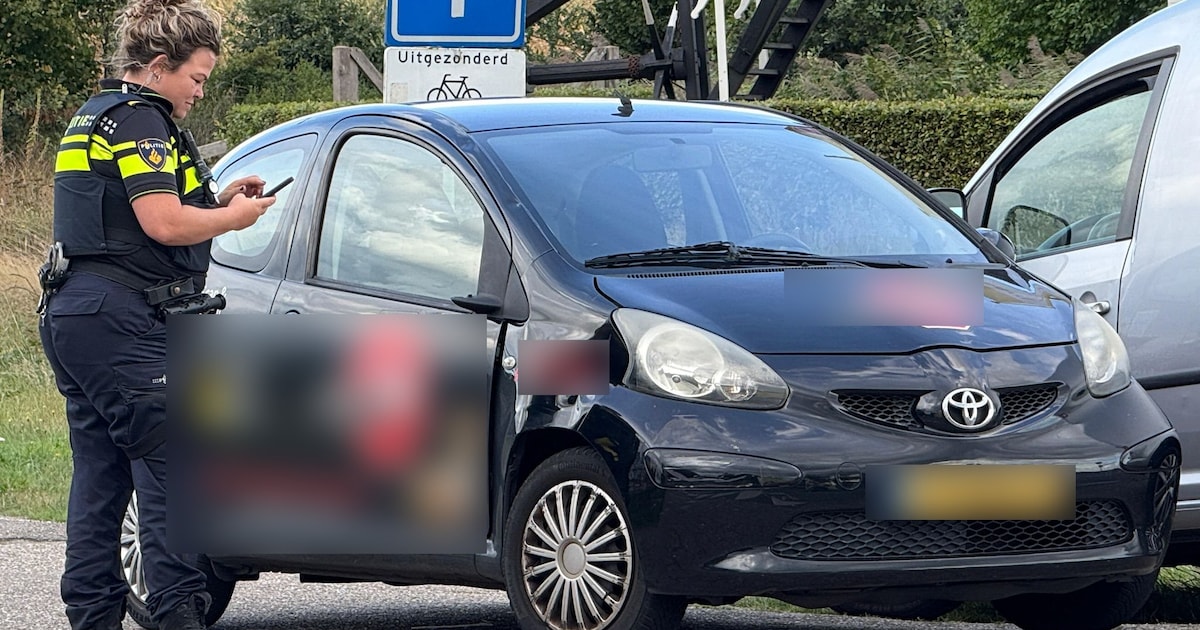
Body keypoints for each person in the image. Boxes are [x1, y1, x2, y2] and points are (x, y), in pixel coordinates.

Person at [37, 0, 276, 628]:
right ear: (160, 66)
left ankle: (91, 617)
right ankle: (179, 616)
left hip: (76, 314)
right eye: (196, 78)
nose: (199, 92)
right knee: (175, 471)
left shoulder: (96, 114)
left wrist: (217, 199)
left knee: (102, 475)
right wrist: (233, 218)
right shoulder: (142, 121)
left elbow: (120, 218)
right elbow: (162, 222)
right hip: (122, 321)